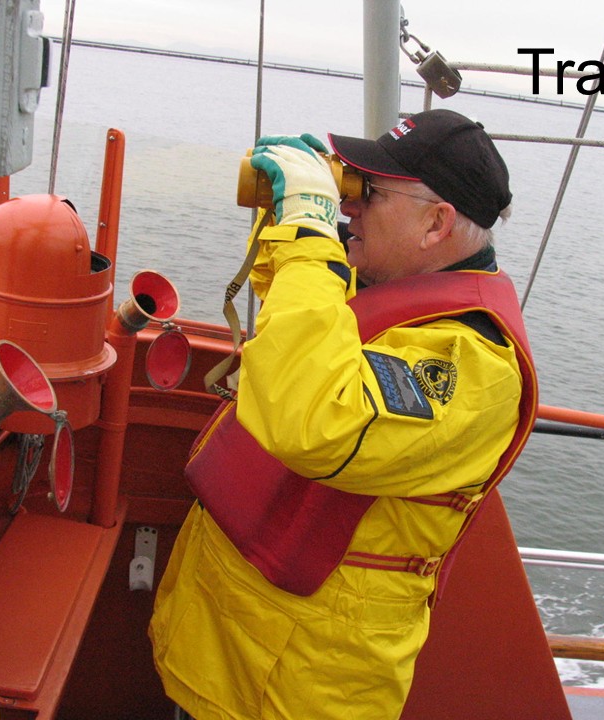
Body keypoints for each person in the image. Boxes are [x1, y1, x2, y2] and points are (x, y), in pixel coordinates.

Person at [149, 108, 538, 720]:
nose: (349, 206)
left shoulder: (474, 366)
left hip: (294, 682)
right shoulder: (385, 285)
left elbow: (318, 420)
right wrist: (297, 228)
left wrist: (312, 235)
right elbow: (293, 323)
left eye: (369, 192)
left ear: (436, 223)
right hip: (227, 638)